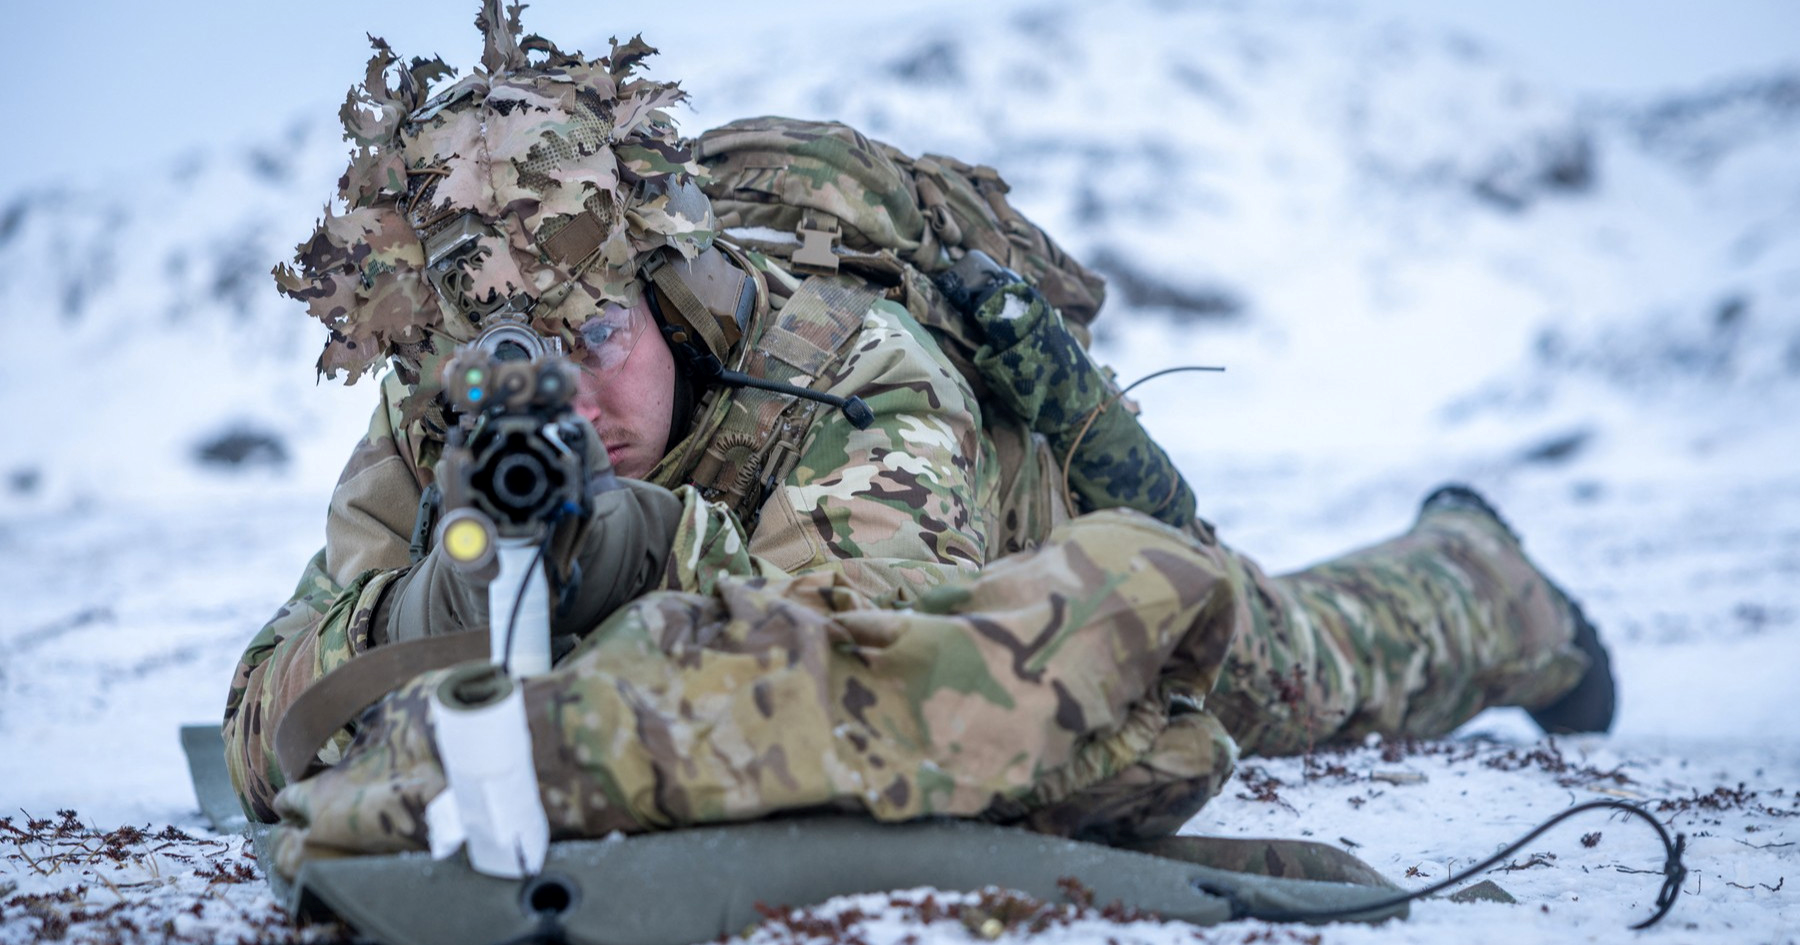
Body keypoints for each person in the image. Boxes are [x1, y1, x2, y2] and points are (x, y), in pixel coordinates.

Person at [225, 3, 1614, 878]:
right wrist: (431, 606)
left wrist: (639, 550)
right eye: (496, 373)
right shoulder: (441, 427)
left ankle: (1491, 577)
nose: (567, 412)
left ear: (669, 291)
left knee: (1310, 674)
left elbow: (870, 673)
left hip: (1023, 555)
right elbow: (258, 728)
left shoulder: (847, 374)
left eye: (597, 346)